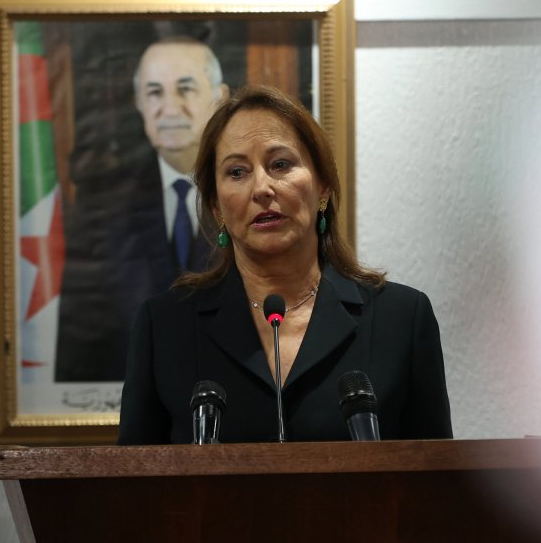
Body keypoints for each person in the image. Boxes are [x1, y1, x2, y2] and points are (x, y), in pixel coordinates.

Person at [118, 85, 453, 443]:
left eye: (280, 164)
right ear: (216, 206)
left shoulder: (401, 319)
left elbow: (433, 482)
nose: (261, 188)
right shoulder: (165, 327)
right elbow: (136, 489)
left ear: (323, 186)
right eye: (236, 172)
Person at [55, 37, 230, 382]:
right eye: (154, 93)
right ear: (138, 103)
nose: (169, 107)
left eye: (185, 88)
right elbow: (82, 337)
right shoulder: (102, 207)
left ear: (219, 97)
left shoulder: (252, 196)